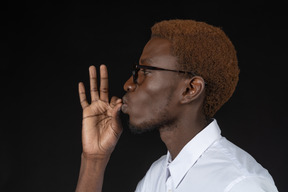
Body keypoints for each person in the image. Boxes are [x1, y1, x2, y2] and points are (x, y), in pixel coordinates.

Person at [75, 19, 278, 192]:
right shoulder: (156, 177)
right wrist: (94, 160)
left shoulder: (240, 185)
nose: (128, 84)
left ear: (190, 89)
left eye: (145, 71)